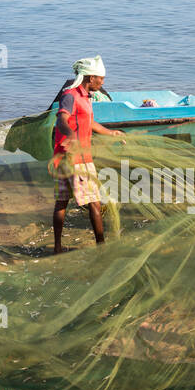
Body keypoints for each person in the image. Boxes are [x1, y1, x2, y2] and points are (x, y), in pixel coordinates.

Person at [52, 56, 124, 253]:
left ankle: (58, 247)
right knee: (94, 202)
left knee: (62, 201)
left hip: (69, 157)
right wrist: (71, 136)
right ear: (90, 78)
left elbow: (90, 122)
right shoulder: (70, 95)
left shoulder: (85, 97)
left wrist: (111, 133)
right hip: (76, 158)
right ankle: (101, 246)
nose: (102, 82)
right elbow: (61, 120)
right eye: (101, 78)